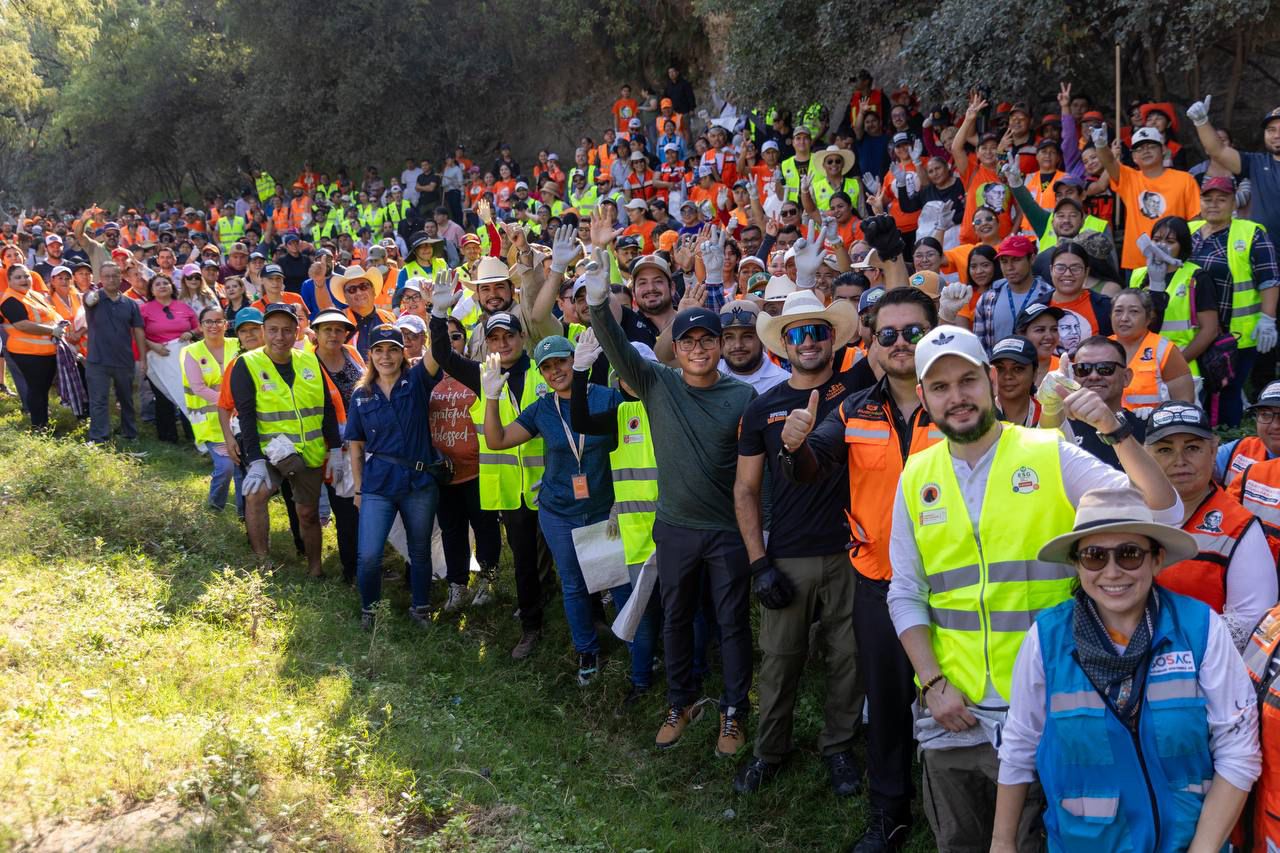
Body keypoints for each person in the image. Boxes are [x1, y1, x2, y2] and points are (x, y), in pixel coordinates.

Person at [886, 324, 1182, 853]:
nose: (957, 397)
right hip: (955, 712)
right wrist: (932, 684)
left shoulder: (1048, 452)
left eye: (967, 381)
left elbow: (1163, 512)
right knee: (960, 843)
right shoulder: (915, 476)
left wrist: (1113, 430)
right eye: (941, 387)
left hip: (1050, 704)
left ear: (990, 381)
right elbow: (905, 591)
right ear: (924, 397)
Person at [992, 487, 1259, 853]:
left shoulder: (1201, 629)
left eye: (1130, 554)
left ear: (1157, 559)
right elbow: (1019, 745)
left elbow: (1238, 749)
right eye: (1094, 556)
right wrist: (1001, 842)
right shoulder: (1045, 639)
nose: (1112, 571)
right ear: (1077, 564)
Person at [776, 287, 940, 849]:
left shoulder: (961, 404)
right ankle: (890, 814)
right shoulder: (854, 409)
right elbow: (810, 467)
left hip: (958, 584)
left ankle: (968, 808)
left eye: (913, 332)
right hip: (881, 582)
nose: (900, 343)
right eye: (888, 334)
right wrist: (795, 446)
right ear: (872, 342)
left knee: (965, 697)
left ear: (933, 334)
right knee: (888, 704)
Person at [585, 247, 758, 755]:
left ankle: (734, 711)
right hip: (676, 528)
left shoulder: (742, 397)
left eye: (707, 339)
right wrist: (597, 303)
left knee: (732, 624)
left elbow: (757, 475)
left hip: (727, 531)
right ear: (675, 348)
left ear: (721, 345)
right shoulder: (657, 384)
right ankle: (680, 702)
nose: (698, 348)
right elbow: (618, 349)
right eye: (688, 341)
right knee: (676, 619)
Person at [479, 332, 650, 687]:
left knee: (619, 581)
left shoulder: (607, 398)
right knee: (573, 584)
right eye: (547, 367)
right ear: (541, 373)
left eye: (561, 361)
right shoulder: (543, 408)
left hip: (604, 507)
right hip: (559, 510)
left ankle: (636, 646)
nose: (555, 371)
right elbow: (496, 441)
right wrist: (491, 397)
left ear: (575, 360)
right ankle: (587, 652)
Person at [428, 285, 548, 656]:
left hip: (550, 484)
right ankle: (531, 626)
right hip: (511, 489)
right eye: (494, 338)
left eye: (508, 336)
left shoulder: (544, 371)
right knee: (524, 560)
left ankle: (586, 617)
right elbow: (443, 355)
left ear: (522, 337)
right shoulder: (481, 376)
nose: (502, 343)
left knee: (564, 554)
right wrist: (438, 315)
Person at [1141, 400, 1276, 646]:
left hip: (1207, 663)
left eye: (1192, 448)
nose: (1180, 460)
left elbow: (1253, 621)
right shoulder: (1128, 510)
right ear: (1145, 456)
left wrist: (1168, 640)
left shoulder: (1239, 527)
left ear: (1214, 451)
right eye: (1165, 450)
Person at [230, 303, 343, 577]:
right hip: (269, 451)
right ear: (264, 332)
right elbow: (246, 416)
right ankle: (262, 563)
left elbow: (327, 407)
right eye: (273, 330)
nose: (279, 336)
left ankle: (315, 570)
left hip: (309, 451)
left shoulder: (310, 361)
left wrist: (336, 448)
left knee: (308, 513)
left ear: (297, 332)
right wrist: (255, 460)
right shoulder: (247, 364)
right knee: (254, 496)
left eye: (286, 330)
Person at [345, 324, 442, 629]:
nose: (385, 356)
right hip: (378, 484)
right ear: (370, 354)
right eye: (379, 350)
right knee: (369, 555)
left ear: (403, 353)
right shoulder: (361, 395)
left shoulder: (417, 381)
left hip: (418, 482)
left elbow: (439, 352)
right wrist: (358, 489)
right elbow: (356, 447)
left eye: (392, 350)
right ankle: (370, 611)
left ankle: (421, 608)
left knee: (419, 550)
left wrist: (439, 315)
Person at [1189, 175, 1279, 428]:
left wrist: (1268, 319)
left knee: (1228, 389)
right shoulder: (1189, 231)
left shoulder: (1251, 233)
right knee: (1197, 389)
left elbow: (1269, 279)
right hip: (1194, 331)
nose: (1214, 204)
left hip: (1236, 334)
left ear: (1233, 203)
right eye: (1208, 199)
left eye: (1222, 199)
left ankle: (1227, 437)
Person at [428, 316, 503, 612]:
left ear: (466, 342)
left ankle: (488, 579)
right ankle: (457, 584)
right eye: (444, 338)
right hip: (444, 473)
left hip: (479, 469)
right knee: (452, 530)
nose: (450, 342)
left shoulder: (478, 374)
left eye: (456, 336)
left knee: (485, 527)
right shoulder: (426, 377)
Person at [1093, 125, 1201, 272]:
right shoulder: (1129, 179)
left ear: (1163, 150)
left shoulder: (1185, 180)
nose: (1145, 151)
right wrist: (1100, 145)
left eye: (1151, 146)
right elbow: (1110, 162)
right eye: (1139, 149)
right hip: (1137, 263)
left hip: (1174, 262)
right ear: (1134, 157)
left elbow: (1196, 221)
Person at [1129, 216, 1220, 379]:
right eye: (1156, 240)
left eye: (1170, 241)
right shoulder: (1138, 275)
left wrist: (1177, 363)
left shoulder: (1196, 277)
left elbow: (1210, 330)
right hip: (1142, 365)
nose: (1161, 246)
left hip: (1183, 366)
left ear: (1182, 246)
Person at [312, 309, 363, 585]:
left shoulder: (352, 354)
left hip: (363, 444)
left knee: (364, 506)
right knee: (345, 511)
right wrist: (333, 447)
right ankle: (351, 571)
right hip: (333, 450)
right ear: (316, 333)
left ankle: (368, 563)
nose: (333, 334)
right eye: (327, 329)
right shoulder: (308, 363)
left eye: (338, 329)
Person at [1043, 336, 1148, 469]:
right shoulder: (1059, 426)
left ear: (1126, 377)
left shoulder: (1147, 427)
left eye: (1105, 368)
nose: (1093, 376)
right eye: (1083, 369)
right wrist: (1049, 410)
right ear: (1074, 376)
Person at [1189, 99, 1280, 241]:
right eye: (1271, 130)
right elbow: (1218, 151)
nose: (1276, 135)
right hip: (1263, 248)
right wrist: (1201, 122)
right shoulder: (1256, 162)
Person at [182, 306, 241, 511]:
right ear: (200, 326)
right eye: (208, 321)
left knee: (242, 467)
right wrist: (230, 402)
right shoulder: (191, 352)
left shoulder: (238, 345)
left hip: (240, 418)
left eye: (218, 321)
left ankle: (245, 512)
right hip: (211, 423)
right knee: (225, 468)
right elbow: (198, 388)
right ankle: (215, 508)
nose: (213, 325)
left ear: (226, 324)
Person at [81, 261, 145, 443]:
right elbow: (88, 299)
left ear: (121, 277)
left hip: (124, 359)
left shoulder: (130, 304)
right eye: (106, 276)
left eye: (114, 275)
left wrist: (143, 358)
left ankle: (130, 434)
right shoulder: (94, 298)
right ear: (101, 279)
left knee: (126, 400)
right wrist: (91, 294)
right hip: (97, 360)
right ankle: (99, 437)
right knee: (98, 400)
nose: (111, 279)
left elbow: (138, 330)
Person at [1109, 288, 1194, 416]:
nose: (1124, 318)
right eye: (1118, 311)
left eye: (1134, 311)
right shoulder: (1102, 348)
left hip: (1154, 424)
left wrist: (1158, 416)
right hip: (1107, 423)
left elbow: (1184, 402)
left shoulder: (1164, 349)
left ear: (1148, 318)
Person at [1, 263, 65, 429]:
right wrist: (53, 330)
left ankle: (43, 421)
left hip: (46, 351)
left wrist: (61, 323)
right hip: (27, 353)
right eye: (18, 277)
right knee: (37, 389)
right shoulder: (10, 300)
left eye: (26, 276)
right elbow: (22, 325)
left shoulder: (33, 294)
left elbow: (51, 313)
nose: (24, 279)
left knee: (43, 389)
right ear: (9, 281)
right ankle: (39, 425)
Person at [138, 273, 198, 443]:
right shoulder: (144, 309)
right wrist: (152, 345)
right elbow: (137, 334)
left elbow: (198, 327)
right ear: (151, 290)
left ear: (172, 287)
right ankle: (168, 437)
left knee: (188, 393)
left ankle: (193, 433)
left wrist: (191, 333)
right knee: (163, 396)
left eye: (165, 283)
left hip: (183, 356)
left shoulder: (184, 307)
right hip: (158, 357)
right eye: (157, 284)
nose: (162, 286)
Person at [972, 235, 1053, 351]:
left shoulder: (1049, 295)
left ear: (1032, 259)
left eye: (1016, 260)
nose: (1009, 267)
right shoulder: (987, 299)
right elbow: (979, 347)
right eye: (1004, 261)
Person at [1046, 241, 1112, 353]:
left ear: (1086, 272)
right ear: (1051, 270)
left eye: (1075, 268)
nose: (1067, 274)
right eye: (1060, 268)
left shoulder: (1105, 308)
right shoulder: (1037, 308)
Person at [715, 299, 790, 392]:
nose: (738, 345)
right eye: (729, 337)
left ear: (762, 338)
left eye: (747, 336)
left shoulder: (783, 383)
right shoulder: (708, 375)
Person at [990, 336, 1040, 427]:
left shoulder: (1049, 416)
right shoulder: (980, 417)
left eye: (1017, 369)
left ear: (1034, 373)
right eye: (1000, 368)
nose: (1008, 376)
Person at [1014, 302, 1062, 384]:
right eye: (1040, 330)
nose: (1049, 336)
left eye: (1054, 329)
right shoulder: (1007, 371)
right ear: (1022, 335)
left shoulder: (1067, 369)